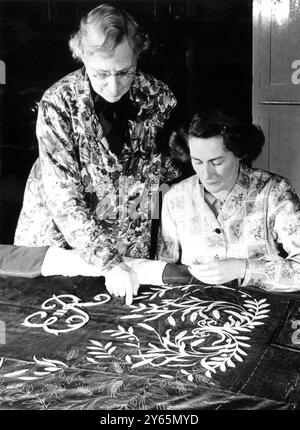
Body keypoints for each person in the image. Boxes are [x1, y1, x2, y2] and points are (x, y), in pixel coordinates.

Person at [13, 4, 179, 303]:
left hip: (127, 225)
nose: (113, 85)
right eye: (101, 73)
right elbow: (62, 196)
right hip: (61, 233)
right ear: (82, 56)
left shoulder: (159, 96)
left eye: (125, 72)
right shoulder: (58, 102)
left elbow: (163, 172)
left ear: (138, 54)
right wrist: (109, 261)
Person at [158, 110, 300, 292]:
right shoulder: (175, 198)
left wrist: (242, 268)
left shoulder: (274, 191)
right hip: (197, 307)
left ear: (239, 153)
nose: (206, 174)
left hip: (263, 308)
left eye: (216, 162)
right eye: (198, 161)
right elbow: (165, 268)